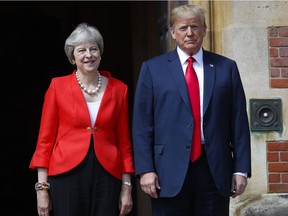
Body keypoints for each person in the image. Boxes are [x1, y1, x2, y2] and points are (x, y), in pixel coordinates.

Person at [132, 4, 251, 216]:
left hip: (214, 167)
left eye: (195, 27)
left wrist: (240, 169)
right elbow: (142, 124)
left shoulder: (226, 67)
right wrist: (145, 169)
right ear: (172, 32)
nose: (190, 33)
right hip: (167, 169)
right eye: (183, 28)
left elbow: (239, 121)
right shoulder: (153, 68)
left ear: (204, 30)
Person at [29, 22, 134, 216]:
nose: (89, 55)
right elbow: (45, 141)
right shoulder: (57, 87)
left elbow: (124, 142)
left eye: (94, 49)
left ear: (100, 53)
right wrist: (41, 189)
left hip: (107, 175)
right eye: (82, 50)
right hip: (66, 176)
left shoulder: (120, 89)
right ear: (72, 57)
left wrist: (127, 187)